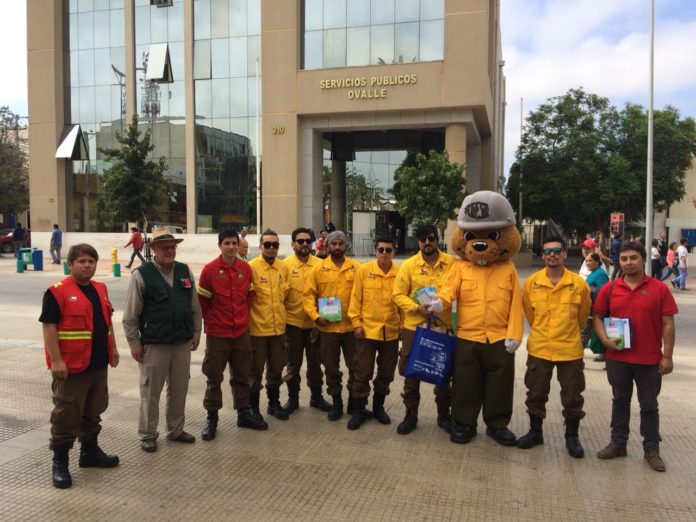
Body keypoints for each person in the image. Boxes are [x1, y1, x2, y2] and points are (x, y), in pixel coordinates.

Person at [40, 244, 120, 488]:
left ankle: (89, 453)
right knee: (66, 415)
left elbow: (107, 322)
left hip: (97, 363)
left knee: (93, 409)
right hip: (71, 367)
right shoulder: (56, 292)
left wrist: (113, 348)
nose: (87, 265)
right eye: (82, 261)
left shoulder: (100, 288)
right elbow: (49, 327)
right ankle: (60, 463)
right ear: (71, 264)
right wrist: (56, 360)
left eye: (91, 261)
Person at [593, 241, 678, 472]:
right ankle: (618, 443)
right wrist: (604, 340)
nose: (628, 263)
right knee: (619, 401)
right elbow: (598, 317)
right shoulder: (610, 289)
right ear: (619, 262)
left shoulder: (659, 289)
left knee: (649, 405)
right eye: (624, 259)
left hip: (649, 361)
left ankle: (651, 449)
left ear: (643, 259)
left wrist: (667, 357)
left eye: (633, 258)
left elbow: (668, 324)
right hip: (618, 359)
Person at [122, 228, 202, 453]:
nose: (169, 251)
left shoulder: (185, 271)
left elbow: (195, 307)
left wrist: (196, 334)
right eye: (165, 247)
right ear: (154, 249)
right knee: (150, 391)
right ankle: (148, 434)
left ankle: (176, 429)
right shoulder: (141, 274)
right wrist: (134, 344)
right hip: (155, 344)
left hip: (181, 343)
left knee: (179, 389)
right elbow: (130, 315)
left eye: (173, 247)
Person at [517, 237, 591, 458]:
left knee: (572, 396)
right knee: (536, 392)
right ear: (542, 255)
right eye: (547, 251)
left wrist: (567, 333)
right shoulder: (532, 283)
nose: (552, 255)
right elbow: (530, 315)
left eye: (557, 251)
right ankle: (535, 432)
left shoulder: (578, 284)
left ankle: (572, 437)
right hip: (540, 347)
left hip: (569, 349)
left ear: (565, 254)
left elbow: (582, 316)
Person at [197, 229, 267, 441]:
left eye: (234, 243)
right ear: (220, 245)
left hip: (241, 333)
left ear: (238, 246)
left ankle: (243, 413)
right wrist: (213, 322)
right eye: (226, 243)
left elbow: (249, 297)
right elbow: (203, 303)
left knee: (242, 375)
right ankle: (212, 418)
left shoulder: (245, 269)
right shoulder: (209, 270)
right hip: (218, 334)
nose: (230, 247)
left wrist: (242, 320)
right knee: (214, 377)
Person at [392, 224, 455, 435]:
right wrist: (416, 307)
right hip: (414, 327)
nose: (427, 243)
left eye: (431, 238)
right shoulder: (409, 266)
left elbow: (459, 291)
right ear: (418, 242)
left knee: (443, 371)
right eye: (423, 239)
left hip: (442, 327)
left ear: (437, 239)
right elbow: (397, 295)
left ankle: (444, 415)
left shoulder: (452, 264)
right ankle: (411, 415)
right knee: (412, 372)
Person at [303, 230, 361, 421]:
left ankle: (354, 401)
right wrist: (316, 316)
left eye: (340, 244)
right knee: (331, 368)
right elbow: (308, 296)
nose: (337, 247)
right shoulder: (318, 270)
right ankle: (336, 402)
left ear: (346, 246)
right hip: (327, 329)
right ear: (328, 246)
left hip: (351, 328)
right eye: (333, 244)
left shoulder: (356, 268)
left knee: (355, 367)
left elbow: (363, 296)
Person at [346, 237, 400, 430]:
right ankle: (359, 411)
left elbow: (403, 301)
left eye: (388, 250)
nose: (384, 253)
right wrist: (356, 323)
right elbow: (355, 299)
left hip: (391, 333)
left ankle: (378, 408)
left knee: (386, 374)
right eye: (380, 250)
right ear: (375, 251)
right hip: (367, 332)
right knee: (362, 373)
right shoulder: (364, 270)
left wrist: (402, 327)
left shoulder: (400, 273)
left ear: (394, 252)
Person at [281, 227, 331, 414]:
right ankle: (293, 399)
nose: (304, 244)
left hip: (315, 325)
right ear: (293, 244)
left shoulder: (320, 264)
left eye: (307, 241)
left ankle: (316, 397)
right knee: (292, 364)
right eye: (300, 241)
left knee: (316, 364)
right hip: (292, 324)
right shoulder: (285, 266)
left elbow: (326, 293)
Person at [248, 229, 291, 421]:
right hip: (257, 330)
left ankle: (274, 404)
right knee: (255, 372)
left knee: (276, 369)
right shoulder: (251, 268)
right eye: (267, 245)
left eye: (275, 245)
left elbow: (287, 297)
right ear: (260, 246)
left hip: (278, 330)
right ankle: (253, 409)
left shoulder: (283, 268)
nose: (271, 248)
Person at [583, 252, 610, 362]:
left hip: (596, 310)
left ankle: (577, 357)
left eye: (590, 261)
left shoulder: (600, 274)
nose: (587, 263)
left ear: (597, 262)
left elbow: (603, 291)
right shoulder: (594, 272)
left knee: (585, 333)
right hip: (589, 308)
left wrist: (587, 290)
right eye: (586, 261)